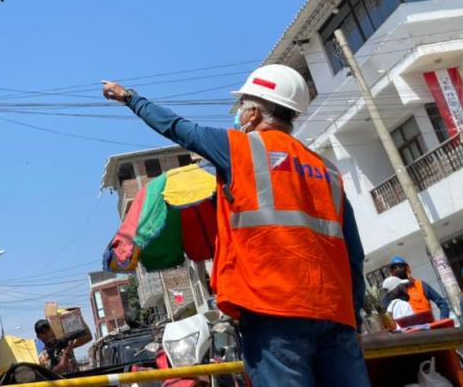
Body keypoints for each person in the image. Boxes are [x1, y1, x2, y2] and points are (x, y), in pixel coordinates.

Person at [103, 64, 370, 387]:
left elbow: (176, 127)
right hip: (335, 315)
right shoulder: (326, 171)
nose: (238, 116)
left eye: (241, 107)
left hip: (273, 309)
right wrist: (353, 320)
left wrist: (129, 97)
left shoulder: (239, 149)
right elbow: (353, 254)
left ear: (254, 113)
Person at [382, 255, 450, 320]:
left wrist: (443, 320)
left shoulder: (420, 285)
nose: (398, 270)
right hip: (409, 331)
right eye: (395, 268)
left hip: (429, 329)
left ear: (407, 269)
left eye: (401, 267)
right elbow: (386, 316)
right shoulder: (390, 293)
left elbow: (442, 303)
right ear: (392, 273)